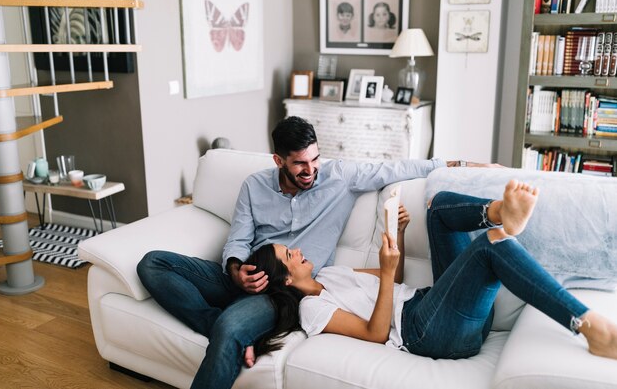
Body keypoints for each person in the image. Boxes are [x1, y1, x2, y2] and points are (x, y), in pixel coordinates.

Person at [136, 116, 499, 389]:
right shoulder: (254, 186)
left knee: (231, 328)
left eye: (314, 160)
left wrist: (459, 166)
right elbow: (239, 238)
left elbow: (397, 167)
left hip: (284, 291)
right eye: (299, 164)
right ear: (279, 161)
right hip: (249, 272)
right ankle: (212, 321)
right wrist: (234, 268)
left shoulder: (338, 177)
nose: (310, 170)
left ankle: (229, 328)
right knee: (153, 264)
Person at [244, 180, 617, 362]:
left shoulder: (329, 274)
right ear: (287, 278)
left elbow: (397, 278)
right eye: (288, 255)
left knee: (437, 208)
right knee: (489, 245)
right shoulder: (311, 310)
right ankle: (588, 326)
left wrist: (398, 236)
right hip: (427, 333)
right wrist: (388, 273)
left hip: (434, 305)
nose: (296, 250)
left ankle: (499, 212)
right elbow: (375, 333)